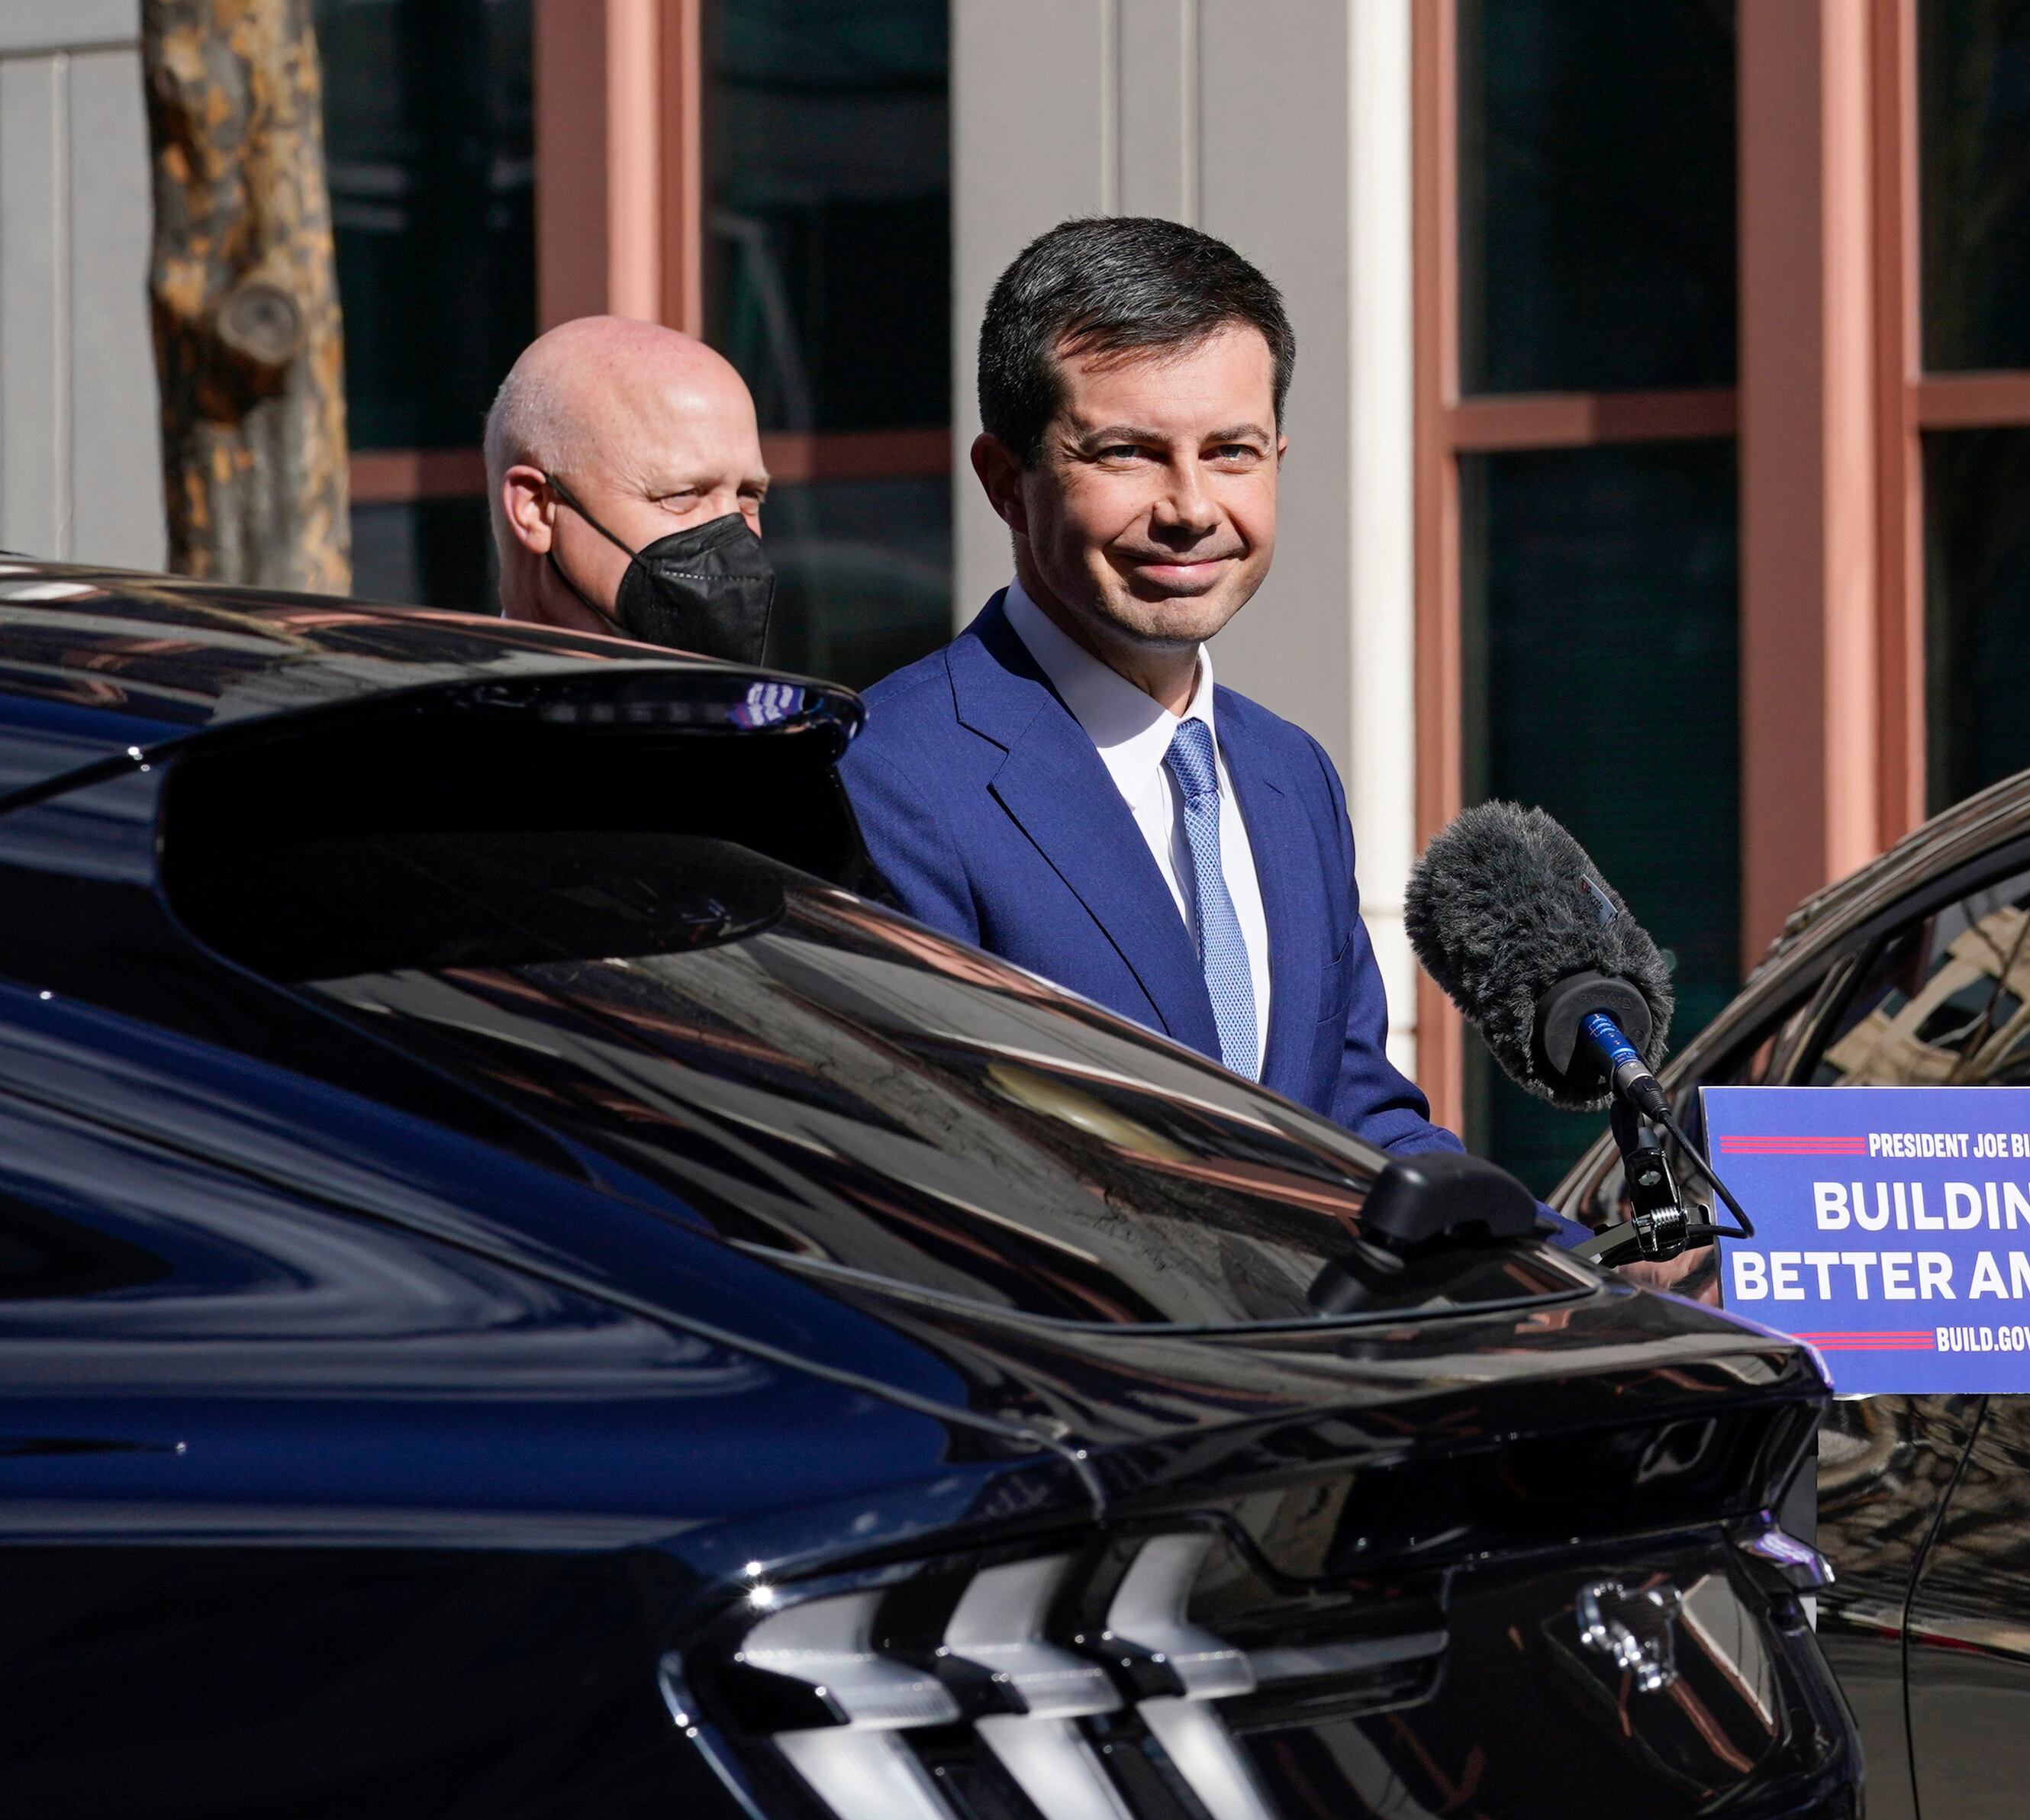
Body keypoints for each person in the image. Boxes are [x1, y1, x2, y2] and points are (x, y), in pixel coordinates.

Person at [840, 217, 1450, 1155]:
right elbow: (931, 1159)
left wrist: (1585, 1280)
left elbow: (1360, 1125)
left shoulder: (1290, 776)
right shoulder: (891, 777)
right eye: (1127, 452)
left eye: (1231, 452)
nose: (1192, 509)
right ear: (1007, 481)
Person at [485, 316, 775, 662]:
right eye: (682, 495)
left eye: (748, 496)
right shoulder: (434, 714)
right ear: (536, 508)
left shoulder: (797, 714)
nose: (734, 534)